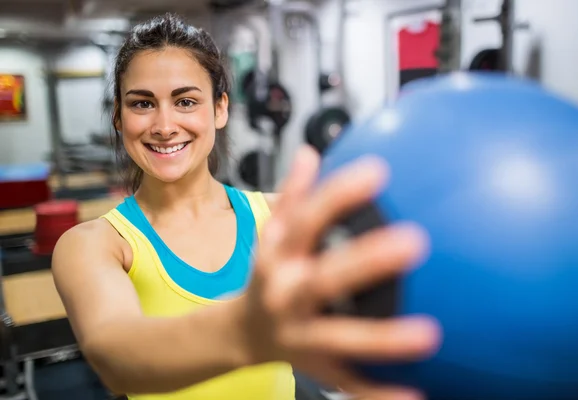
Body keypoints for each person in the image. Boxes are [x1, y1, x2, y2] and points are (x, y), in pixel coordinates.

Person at [51, 12, 440, 400]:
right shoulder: (93, 244)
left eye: (185, 101)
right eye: (142, 104)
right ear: (118, 116)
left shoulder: (278, 220)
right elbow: (117, 357)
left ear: (220, 109)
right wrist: (247, 331)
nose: (165, 125)